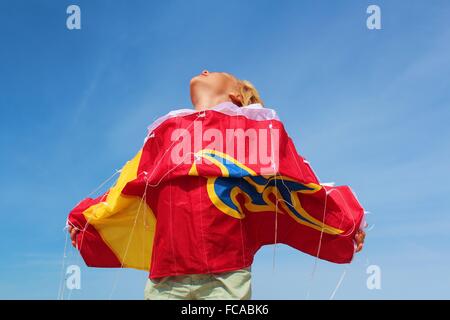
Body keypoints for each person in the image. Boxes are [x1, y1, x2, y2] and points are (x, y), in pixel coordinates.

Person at [68, 70, 366, 299]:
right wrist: (90, 219)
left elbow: (296, 179)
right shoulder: (168, 129)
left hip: (227, 272)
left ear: (237, 94)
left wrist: (342, 223)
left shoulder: (255, 129)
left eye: (218, 72)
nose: (205, 69)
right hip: (165, 276)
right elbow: (131, 183)